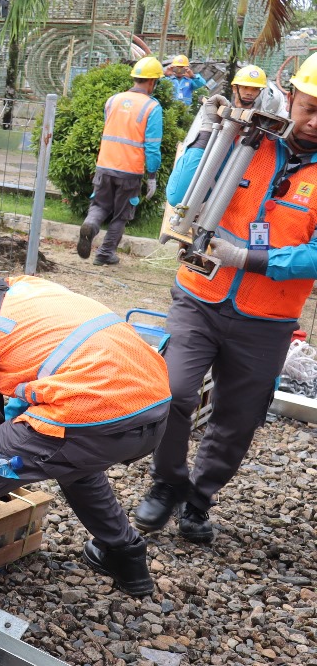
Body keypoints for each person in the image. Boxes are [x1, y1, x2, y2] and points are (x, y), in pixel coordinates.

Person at [131, 52, 317, 544]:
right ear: (292, 95)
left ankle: (198, 499)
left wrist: (250, 259)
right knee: (173, 392)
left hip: (268, 319)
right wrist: (207, 133)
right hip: (200, 297)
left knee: (238, 418)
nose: (315, 121)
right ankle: (167, 482)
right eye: (310, 107)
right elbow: (181, 192)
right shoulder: (249, 142)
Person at [0, 228, 170, 597]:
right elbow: (37, 383)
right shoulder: (33, 287)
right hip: (152, 408)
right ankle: (126, 558)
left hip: (92, 416)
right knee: (71, 460)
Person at [78, 56, 164, 266]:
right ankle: (105, 253)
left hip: (104, 166)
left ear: (135, 78)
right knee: (121, 215)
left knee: (99, 205)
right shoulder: (152, 107)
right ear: (152, 82)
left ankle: (90, 223)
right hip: (130, 171)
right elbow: (152, 147)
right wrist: (152, 175)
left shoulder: (113, 100)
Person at [175, 65, 276, 162]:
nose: (249, 93)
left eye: (255, 89)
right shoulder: (216, 111)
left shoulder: (258, 124)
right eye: (245, 87)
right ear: (234, 88)